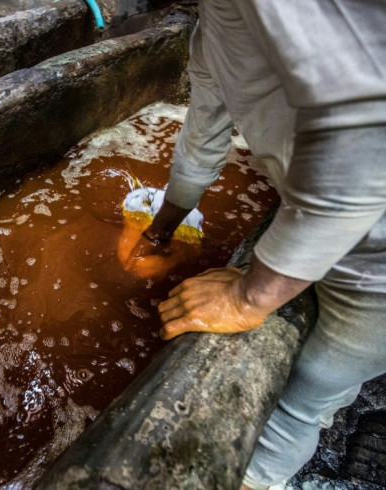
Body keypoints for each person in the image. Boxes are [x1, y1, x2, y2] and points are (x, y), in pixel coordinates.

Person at [127, 1, 386, 488]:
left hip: (378, 261)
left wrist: (251, 295)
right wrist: (158, 231)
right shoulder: (217, 23)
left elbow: (368, 133)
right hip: (324, 213)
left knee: (302, 397)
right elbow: (203, 138)